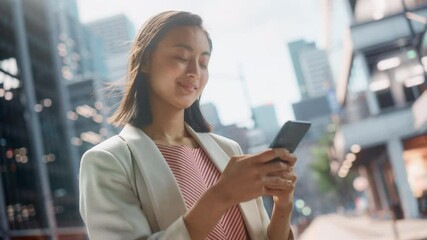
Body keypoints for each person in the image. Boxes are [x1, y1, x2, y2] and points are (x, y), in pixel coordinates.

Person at [79, 10, 297, 240]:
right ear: (144, 61)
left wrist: (283, 206)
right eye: (181, 57)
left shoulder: (228, 150)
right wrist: (221, 195)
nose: (194, 72)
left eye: (203, 62)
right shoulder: (106, 162)